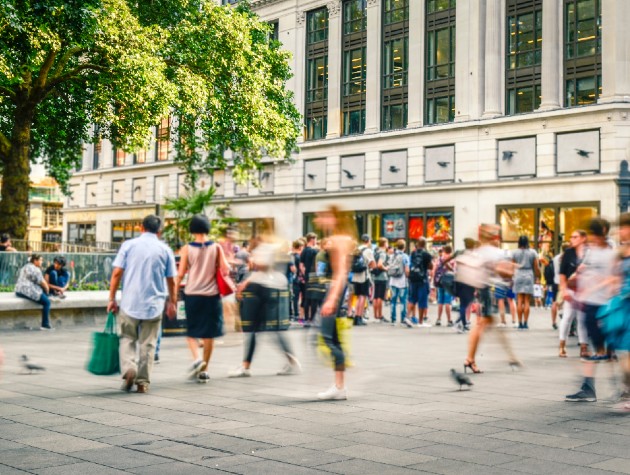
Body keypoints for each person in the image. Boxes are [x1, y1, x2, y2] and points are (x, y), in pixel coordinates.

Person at [108, 215, 177, 394]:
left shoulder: (128, 246)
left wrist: (111, 299)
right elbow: (171, 280)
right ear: (159, 231)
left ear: (141, 228)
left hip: (130, 303)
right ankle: (142, 382)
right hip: (154, 305)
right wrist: (173, 302)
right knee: (148, 344)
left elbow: (116, 274)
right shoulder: (165, 249)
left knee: (127, 338)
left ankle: (129, 369)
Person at [230, 223, 300, 378]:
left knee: (253, 330)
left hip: (262, 290)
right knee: (267, 330)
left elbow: (262, 269)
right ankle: (289, 361)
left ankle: (247, 366)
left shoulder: (264, 249)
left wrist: (244, 283)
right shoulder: (276, 248)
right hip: (274, 289)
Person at [565, 218, 617, 402]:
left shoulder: (610, 254)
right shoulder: (591, 251)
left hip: (603, 305)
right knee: (595, 347)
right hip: (588, 303)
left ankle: (618, 388)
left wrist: (595, 288)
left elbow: (613, 279)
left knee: (605, 349)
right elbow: (581, 271)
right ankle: (589, 388)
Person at [175, 215, 230, 383]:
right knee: (209, 334)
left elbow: (181, 272)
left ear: (192, 229)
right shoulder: (216, 247)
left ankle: (197, 359)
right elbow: (226, 269)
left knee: (191, 331)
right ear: (207, 228)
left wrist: (174, 292)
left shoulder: (187, 249)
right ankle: (204, 370)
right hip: (212, 295)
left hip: (192, 294)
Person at [463, 224, 520, 374]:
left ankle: (510, 357)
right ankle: (470, 358)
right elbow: (504, 272)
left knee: (485, 323)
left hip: (481, 290)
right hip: (488, 290)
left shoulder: (478, 252)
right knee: (482, 324)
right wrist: (512, 268)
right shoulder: (495, 253)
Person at [313, 205, 355, 400]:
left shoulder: (338, 240)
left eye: (323, 216)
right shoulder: (342, 238)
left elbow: (340, 274)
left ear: (334, 218)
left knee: (328, 338)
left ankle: (339, 386)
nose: (318, 219)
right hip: (337, 291)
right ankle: (339, 386)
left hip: (334, 291)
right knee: (332, 338)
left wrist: (332, 298)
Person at [558, 230, 589, 358]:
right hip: (571, 289)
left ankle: (583, 347)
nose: (572, 239)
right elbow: (562, 274)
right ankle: (562, 345)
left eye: (575, 237)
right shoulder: (568, 253)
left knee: (582, 319)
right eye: (571, 237)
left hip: (585, 290)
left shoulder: (589, 253)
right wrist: (564, 290)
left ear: (583, 238)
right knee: (567, 317)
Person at [15, 254, 53, 330]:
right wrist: (47, 291)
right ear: (35, 261)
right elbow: (43, 283)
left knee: (43, 295)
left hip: (19, 290)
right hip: (28, 290)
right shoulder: (35, 269)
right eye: (41, 260)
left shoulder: (25, 266)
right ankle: (45, 325)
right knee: (47, 302)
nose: (42, 262)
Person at [512, 236, 540, 329]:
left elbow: (512, 266)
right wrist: (538, 277)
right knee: (527, 301)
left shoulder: (515, 252)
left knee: (519, 300)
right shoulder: (532, 252)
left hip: (518, 274)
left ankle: (519, 323)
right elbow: (536, 266)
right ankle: (525, 323)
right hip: (529, 275)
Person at [349, 234, 375, 326]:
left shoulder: (357, 249)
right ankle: (359, 317)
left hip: (355, 276)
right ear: (368, 241)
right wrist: (370, 267)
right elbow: (373, 264)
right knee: (362, 297)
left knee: (357, 296)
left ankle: (356, 315)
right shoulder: (368, 251)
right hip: (364, 276)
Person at [407, 237, 433, 327]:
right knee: (422, 300)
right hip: (422, 279)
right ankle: (421, 322)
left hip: (413, 278)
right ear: (425, 244)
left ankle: (407, 317)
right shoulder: (427, 254)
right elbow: (431, 267)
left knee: (412, 299)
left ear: (417, 244)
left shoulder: (413, 253)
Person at [388, 239, 410, 327]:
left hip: (393, 281)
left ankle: (393, 319)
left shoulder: (392, 255)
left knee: (393, 301)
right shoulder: (405, 256)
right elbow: (407, 270)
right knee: (403, 301)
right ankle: (402, 319)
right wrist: (407, 276)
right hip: (402, 281)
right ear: (404, 247)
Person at [300, 232, 319, 325]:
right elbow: (317, 265)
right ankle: (312, 318)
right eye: (315, 239)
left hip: (307, 276)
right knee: (314, 298)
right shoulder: (314, 251)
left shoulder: (304, 250)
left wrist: (305, 274)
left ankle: (307, 318)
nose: (316, 241)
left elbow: (301, 265)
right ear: (312, 239)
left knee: (307, 297)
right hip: (314, 276)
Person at [434, 245, 454, 327]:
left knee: (440, 302)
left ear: (444, 251)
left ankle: (438, 319)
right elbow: (454, 270)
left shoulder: (439, 259)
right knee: (448, 302)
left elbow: (434, 269)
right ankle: (449, 320)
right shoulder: (452, 259)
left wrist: (434, 280)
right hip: (448, 282)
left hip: (440, 281)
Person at [371, 237, 389, 322]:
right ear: (384, 244)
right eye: (387, 243)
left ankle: (375, 315)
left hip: (375, 276)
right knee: (380, 297)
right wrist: (386, 268)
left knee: (375, 296)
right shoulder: (382, 253)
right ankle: (380, 315)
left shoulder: (376, 252)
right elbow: (379, 264)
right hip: (382, 276)